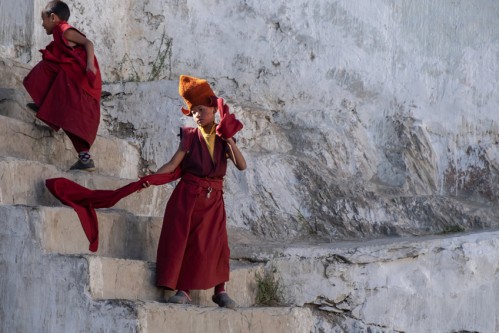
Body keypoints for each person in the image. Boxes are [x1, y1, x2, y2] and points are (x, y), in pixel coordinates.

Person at [142, 75, 246, 308]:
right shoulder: (189, 137)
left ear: (213, 109)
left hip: (213, 198)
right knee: (188, 241)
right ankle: (184, 289)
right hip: (188, 196)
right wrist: (152, 178)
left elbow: (241, 165)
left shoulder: (223, 138)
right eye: (194, 111)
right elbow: (172, 164)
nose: (198, 115)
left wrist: (229, 141)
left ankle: (220, 291)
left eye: (202, 109)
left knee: (218, 243)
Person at [23, 0, 102, 171]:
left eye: (43, 19)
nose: (42, 24)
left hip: (79, 79)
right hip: (69, 75)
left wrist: (90, 65)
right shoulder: (59, 33)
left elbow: (88, 43)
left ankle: (85, 159)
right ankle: (45, 104)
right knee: (46, 66)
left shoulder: (64, 30)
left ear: (53, 17)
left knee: (70, 118)